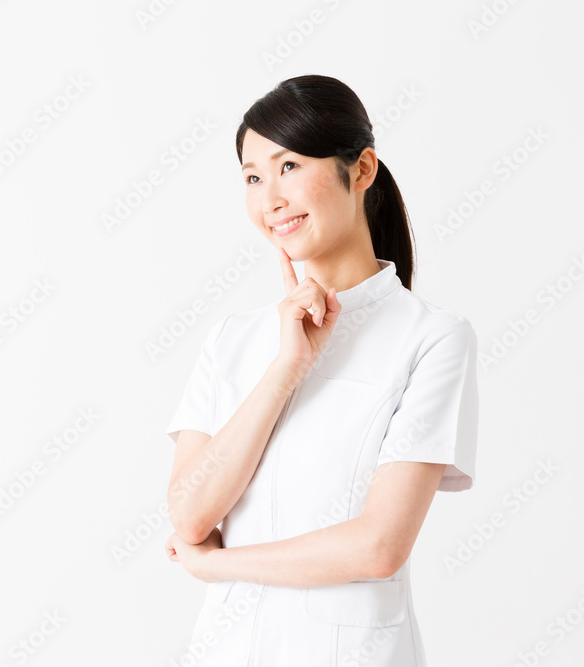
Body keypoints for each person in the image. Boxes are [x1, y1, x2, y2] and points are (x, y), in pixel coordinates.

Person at [163, 74, 479, 666]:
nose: (269, 198)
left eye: (288, 167)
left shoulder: (432, 339)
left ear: (361, 170)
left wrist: (218, 564)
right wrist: (286, 367)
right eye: (253, 177)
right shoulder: (233, 340)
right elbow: (188, 512)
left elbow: (379, 545)